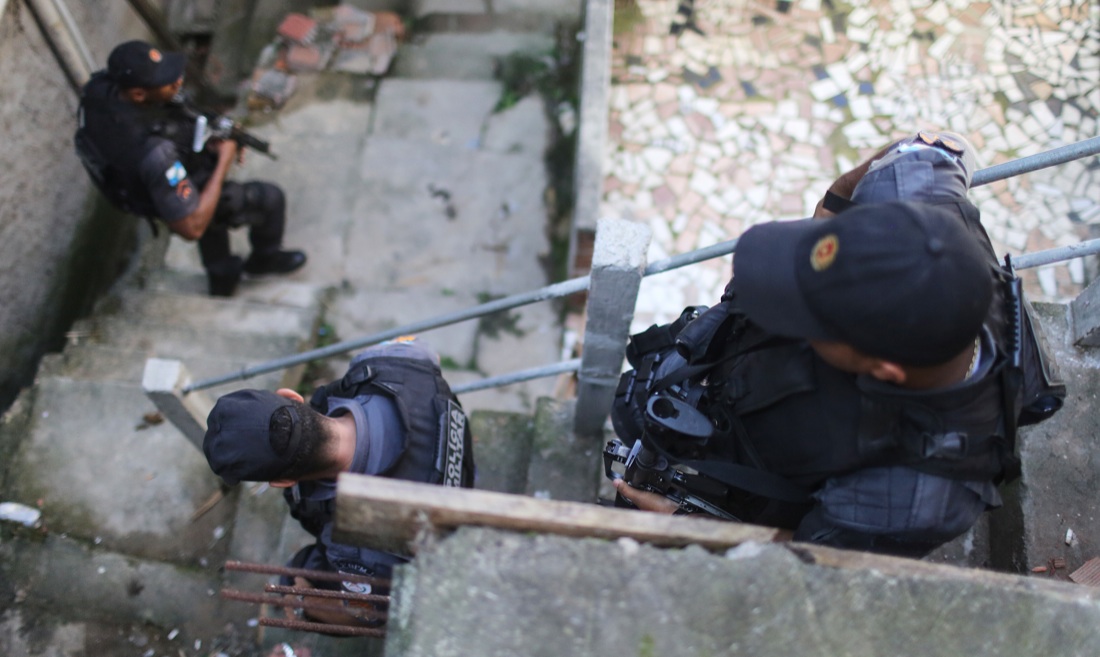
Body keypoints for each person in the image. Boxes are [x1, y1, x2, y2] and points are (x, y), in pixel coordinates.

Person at [611, 130, 1063, 557]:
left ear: (884, 369)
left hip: (755, 473)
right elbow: (934, 149)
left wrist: (679, 522)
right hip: (718, 381)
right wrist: (831, 216)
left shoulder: (913, 497)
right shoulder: (920, 195)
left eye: (810, 318)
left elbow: (816, 557)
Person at [202, 338, 475, 625]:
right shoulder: (392, 362)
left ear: (284, 481)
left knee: (301, 574)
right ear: (292, 396)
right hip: (462, 474)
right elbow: (429, 353)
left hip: (439, 540)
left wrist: (305, 601)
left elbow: (366, 614)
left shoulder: (354, 544)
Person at [74, 40, 306, 297]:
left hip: (137, 182)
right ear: (139, 94)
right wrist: (223, 162)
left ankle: (222, 278)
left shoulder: (101, 90)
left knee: (213, 218)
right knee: (270, 198)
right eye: (167, 81)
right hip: (161, 188)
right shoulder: (156, 155)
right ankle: (264, 260)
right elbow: (191, 228)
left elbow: (176, 113)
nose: (179, 81)